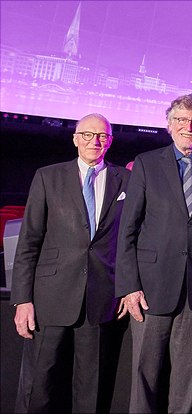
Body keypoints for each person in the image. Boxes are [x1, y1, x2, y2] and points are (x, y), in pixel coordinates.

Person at [115, 94, 192, 413]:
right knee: (144, 374)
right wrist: (129, 286)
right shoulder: (147, 163)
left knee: (188, 376)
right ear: (169, 125)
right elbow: (128, 229)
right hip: (150, 287)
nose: (188, 126)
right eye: (181, 120)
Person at [11, 113, 130, 412]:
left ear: (110, 141)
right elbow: (28, 242)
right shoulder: (48, 177)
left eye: (102, 136)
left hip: (101, 300)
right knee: (42, 385)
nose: (95, 141)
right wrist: (22, 300)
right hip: (50, 298)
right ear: (75, 139)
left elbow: (133, 241)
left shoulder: (126, 180)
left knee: (92, 391)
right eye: (87, 135)